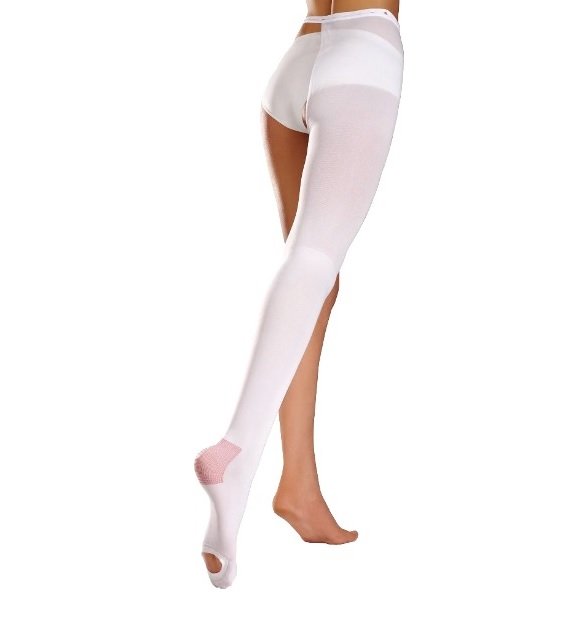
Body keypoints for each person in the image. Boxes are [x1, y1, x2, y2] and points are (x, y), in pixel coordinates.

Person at [194, 0, 403, 588]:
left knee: (314, 278)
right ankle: (236, 454)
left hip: (301, 55)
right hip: (362, 55)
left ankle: (299, 487)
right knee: (313, 261)